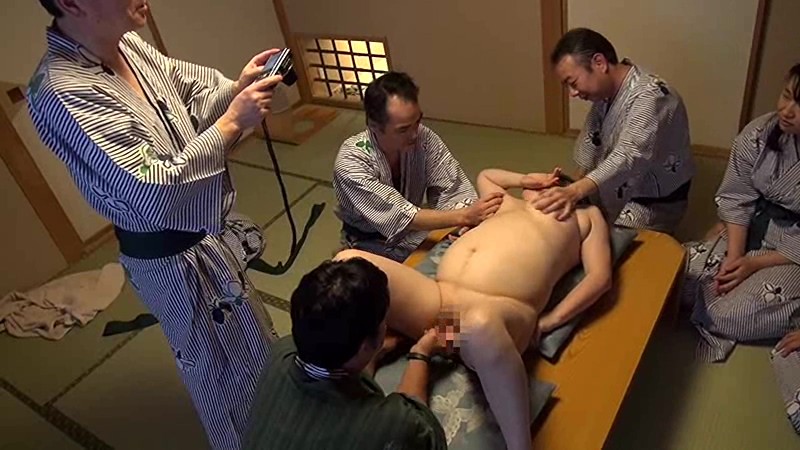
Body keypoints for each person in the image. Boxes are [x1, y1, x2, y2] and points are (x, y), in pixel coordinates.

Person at [28, 1, 283, 447]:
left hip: (207, 235)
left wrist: (237, 89)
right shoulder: (60, 89)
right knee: (219, 373)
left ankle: (280, 427)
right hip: (169, 257)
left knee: (254, 347)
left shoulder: (128, 44)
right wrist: (231, 124)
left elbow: (191, 100)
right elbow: (152, 188)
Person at [335, 167, 613, 450]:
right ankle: (357, 378)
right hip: (439, 303)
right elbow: (486, 176)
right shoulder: (506, 203)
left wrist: (550, 321)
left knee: (478, 324)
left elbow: (599, 278)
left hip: (497, 313)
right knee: (350, 262)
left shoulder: (585, 216)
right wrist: (523, 180)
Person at [243, 258, 447, 449]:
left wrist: (375, 352)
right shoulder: (392, 424)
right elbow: (423, 429)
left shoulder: (282, 350)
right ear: (364, 345)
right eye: (384, 321)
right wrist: (420, 354)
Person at [681, 63, 800, 363]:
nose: (787, 111)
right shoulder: (760, 132)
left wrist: (755, 263)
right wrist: (735, 257)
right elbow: (737, 195)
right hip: (752, 223)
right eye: (786, 96)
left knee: (728, 314)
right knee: (674, 271)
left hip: (791, 249)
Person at [535, 27, 695, 234]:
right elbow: (591, 140)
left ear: (599, 63)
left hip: (652, 201)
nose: (572, 93)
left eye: (573, 83)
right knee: (561, 217)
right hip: (615, 188)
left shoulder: (653, 97)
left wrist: (576, 191)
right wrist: (571, 185)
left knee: (602, 241)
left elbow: (629, 155)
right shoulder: (607, 92)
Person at [333, 71, 503, 262]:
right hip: (368, 242)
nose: (415, 133)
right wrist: (464, 216)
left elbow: (451, 188)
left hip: (413, 232)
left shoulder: (423, 137)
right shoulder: (351, 162)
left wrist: (463, 224)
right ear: (374, 125)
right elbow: (401, 216)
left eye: (417, 121)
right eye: (403, 129)